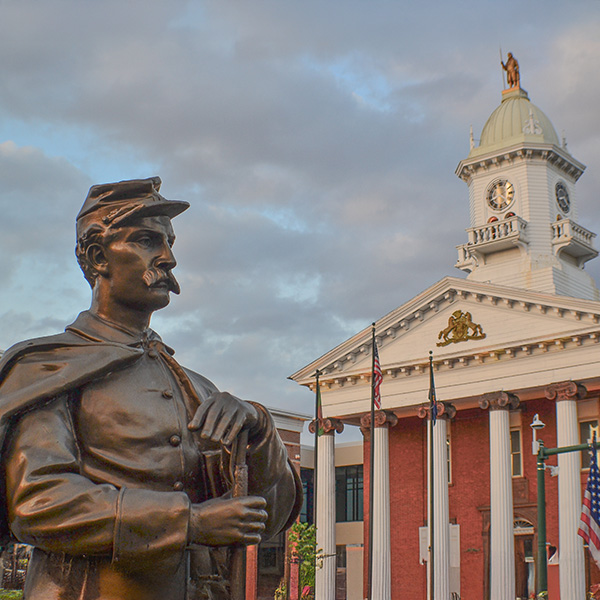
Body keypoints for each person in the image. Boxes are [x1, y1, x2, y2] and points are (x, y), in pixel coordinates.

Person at [0, 177, 302, 600]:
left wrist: (259, 431)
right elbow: (38, 503)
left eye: (169, 242)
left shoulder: (195, 387)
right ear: (96, 256)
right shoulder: (49, 369)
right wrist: (189, 523)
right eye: (146, 240)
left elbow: (265, 520)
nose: (169, 258)